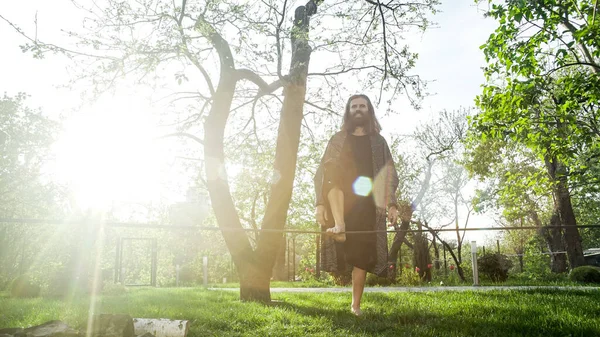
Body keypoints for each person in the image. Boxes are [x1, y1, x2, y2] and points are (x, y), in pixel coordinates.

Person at [314, 94, 399, 316]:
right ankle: (339, 226)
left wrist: (392, 205)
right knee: (331, 172)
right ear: (348, 111)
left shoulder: (379, 142)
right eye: (354, 106)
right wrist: (319, 204)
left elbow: (389, 175)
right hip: (339, 202)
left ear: (369, 111)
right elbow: (322, 173)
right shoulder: (338, 139)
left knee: (361, 256)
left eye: (362, 106)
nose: (358, 109)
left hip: (368, 205)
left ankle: (355, 306)